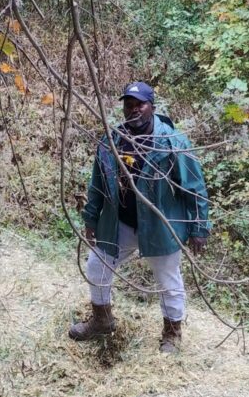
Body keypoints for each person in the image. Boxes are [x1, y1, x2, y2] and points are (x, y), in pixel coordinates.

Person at [69, 81, 210, 353]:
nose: (133, 110)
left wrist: (199, 228)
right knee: (97, 265)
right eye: (128, 105)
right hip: (119, 222)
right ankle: (102, 319)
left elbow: (195, 187)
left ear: (152, 107)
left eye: (139, 104)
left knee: (168, 279)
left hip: (160, 226)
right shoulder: (112, 141)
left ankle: (172, 333)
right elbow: (96, 183)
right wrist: (90, 219)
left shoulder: (172, 142)